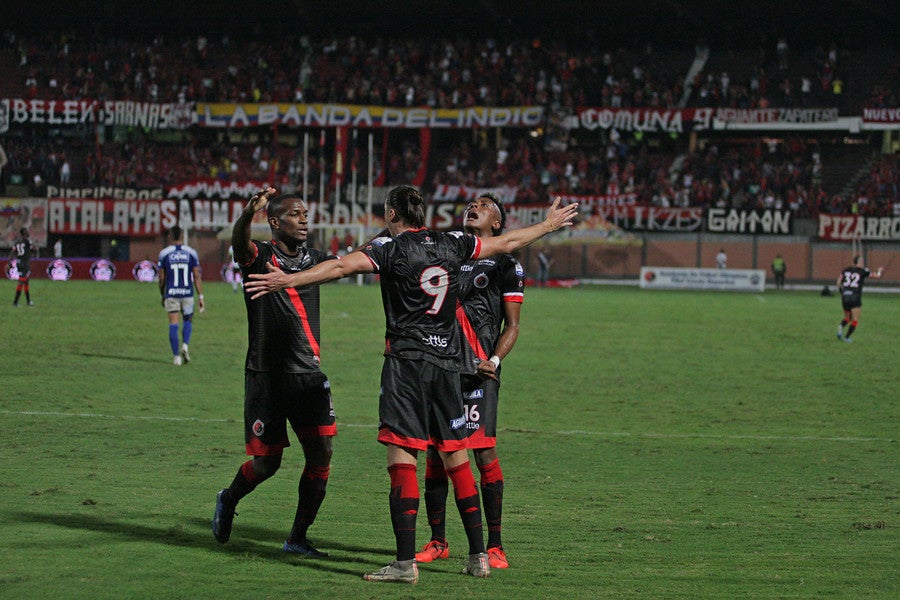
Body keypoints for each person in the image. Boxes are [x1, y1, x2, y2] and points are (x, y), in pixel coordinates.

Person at [244, 185, 577, 584]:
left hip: (407, 366)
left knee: (402, 458)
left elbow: (337, 268)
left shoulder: (388, 247)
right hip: (449, 365)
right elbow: (508, 241)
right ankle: (478, 556)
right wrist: (548, 224)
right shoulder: (452, 242)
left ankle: (404, 564)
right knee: (456, 456)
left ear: (391, 213)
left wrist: (287, 281)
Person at [212, 188, 338, 559]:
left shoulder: (315, 259)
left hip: (309, 375)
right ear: (273, 221)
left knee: (321, 455)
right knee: (268, 464)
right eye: (295, 214)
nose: (304, 220)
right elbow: (240, 244)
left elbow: (350, 262)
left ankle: (297, 538)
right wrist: (246, 215)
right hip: (267, 376)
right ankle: (229, 497)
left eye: (306, 214)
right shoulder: (260, 256)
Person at [416, 192, 522, 570]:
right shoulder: (449, 253)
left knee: (483, 452)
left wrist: (493, 360)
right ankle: (438, 541)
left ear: (496, 223)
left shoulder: (505, 263)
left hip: (478, 371)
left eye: (484, 205)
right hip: (440, 368)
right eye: (470, 204)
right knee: (434, 452)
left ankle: (495, 545)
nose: (472, 207)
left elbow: (513, 326)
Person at [157, 226, 204, 365]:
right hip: (187, 294)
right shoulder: (191, 253)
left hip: (171, 293)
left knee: (173, 324)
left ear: (170, 236)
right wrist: (200, 296)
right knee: (188, 321)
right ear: (182, 236)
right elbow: (196, 276)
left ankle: (176, 357)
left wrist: (162, 294)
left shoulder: (164, 253)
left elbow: (161, 278)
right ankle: (185, 346)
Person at [836, 255, 884, 343]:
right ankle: (847, 337)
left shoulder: (846, 270)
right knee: (855, 320)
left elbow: (838, 283)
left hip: (845, 297)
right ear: (860, 262)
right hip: (855, 297)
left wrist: (842, 293)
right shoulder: (863, 271)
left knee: (847, 318)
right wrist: (879, 271)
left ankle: (840, 326)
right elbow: (877, 276)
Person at [10, 227, 35, 307]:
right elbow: (34, 248)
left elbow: (13, 252)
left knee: (26, 281)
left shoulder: (17, 242)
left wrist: (8, 263)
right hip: (24, 263)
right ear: (24, 233)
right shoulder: (27, 241)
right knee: (21, 282)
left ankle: (28, 301)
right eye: (27, 231)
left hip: (20, 262)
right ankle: (15, 302)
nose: (28, 232)